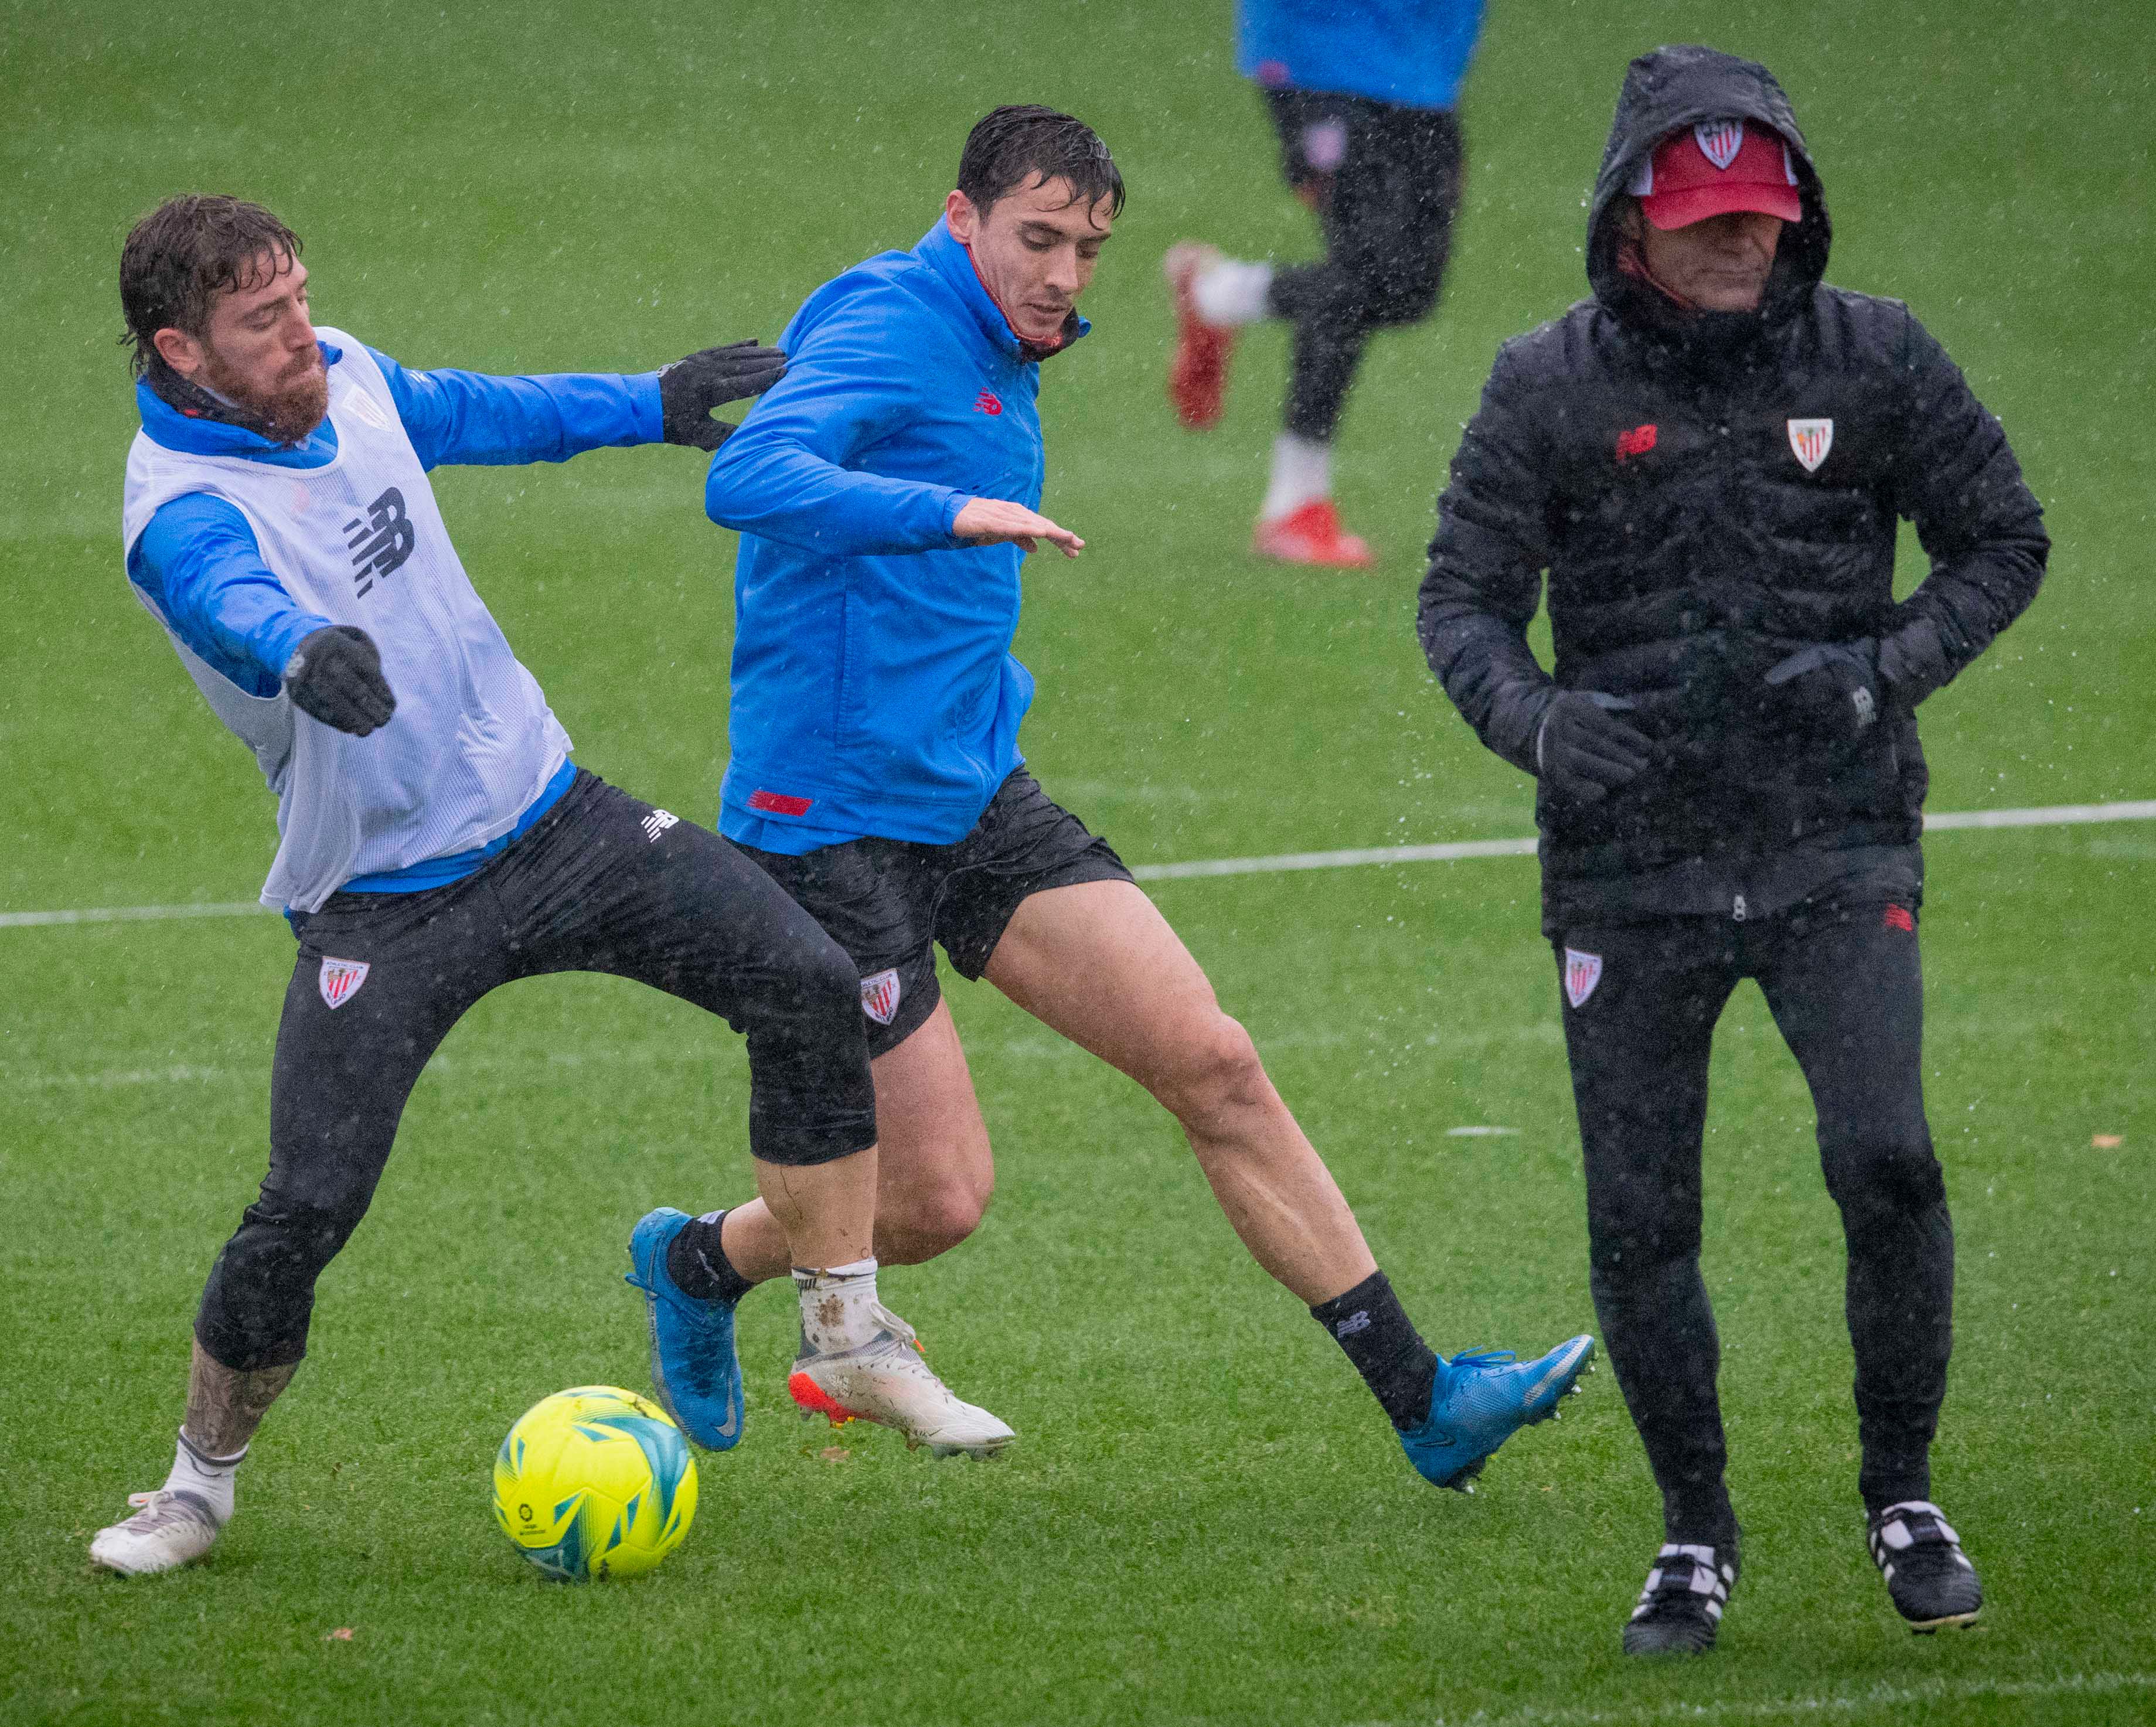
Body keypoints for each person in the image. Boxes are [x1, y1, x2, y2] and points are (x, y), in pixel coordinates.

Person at [625, 105, 1593, 1491]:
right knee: (936, 1201)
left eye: (1086, 247)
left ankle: (1425, 1397)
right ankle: (695, 1261)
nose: (1064, 274)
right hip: (827, 817)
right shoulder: (890, 326)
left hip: (971, 790)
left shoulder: (1002, 341)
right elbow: (749, 473)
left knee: (1212, 1062)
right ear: (959, 218)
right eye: (1035, 239)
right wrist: (947, 513)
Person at [93, 195, 1007, 1578]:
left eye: (297, 300)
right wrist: (298, 650)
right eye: (260, 323)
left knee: (809, 984)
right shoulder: (179, 508)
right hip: (390, 899)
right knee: (307, 1203)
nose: (299, 337)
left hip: (554, 820)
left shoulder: (344, 371)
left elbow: (476, 410)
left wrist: (653, 401)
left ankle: (850, 1333)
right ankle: (194, 1488)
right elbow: (225, 592)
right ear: (179, 348)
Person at [1418, 46, 2046, 1651]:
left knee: (1884, 1159)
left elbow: (2001, 537)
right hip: (1624, 872)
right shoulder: (1539, 384)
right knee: (1639, 1214)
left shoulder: (1878, 358)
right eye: (1702, 223)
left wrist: (1876, 670)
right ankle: (1692, 1532)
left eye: (1756, 217)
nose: (1735, 246)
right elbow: (1460, 606)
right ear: (1629, 219)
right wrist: (1542, 726)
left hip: (1835, 844)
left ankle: (1898, 1493)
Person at [1162, 0, 1485, 567]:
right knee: (1363, 277)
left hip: (1425, 64)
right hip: (1325, 55)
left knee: (1410, 288)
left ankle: (1218, 295)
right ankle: (1295, 506)